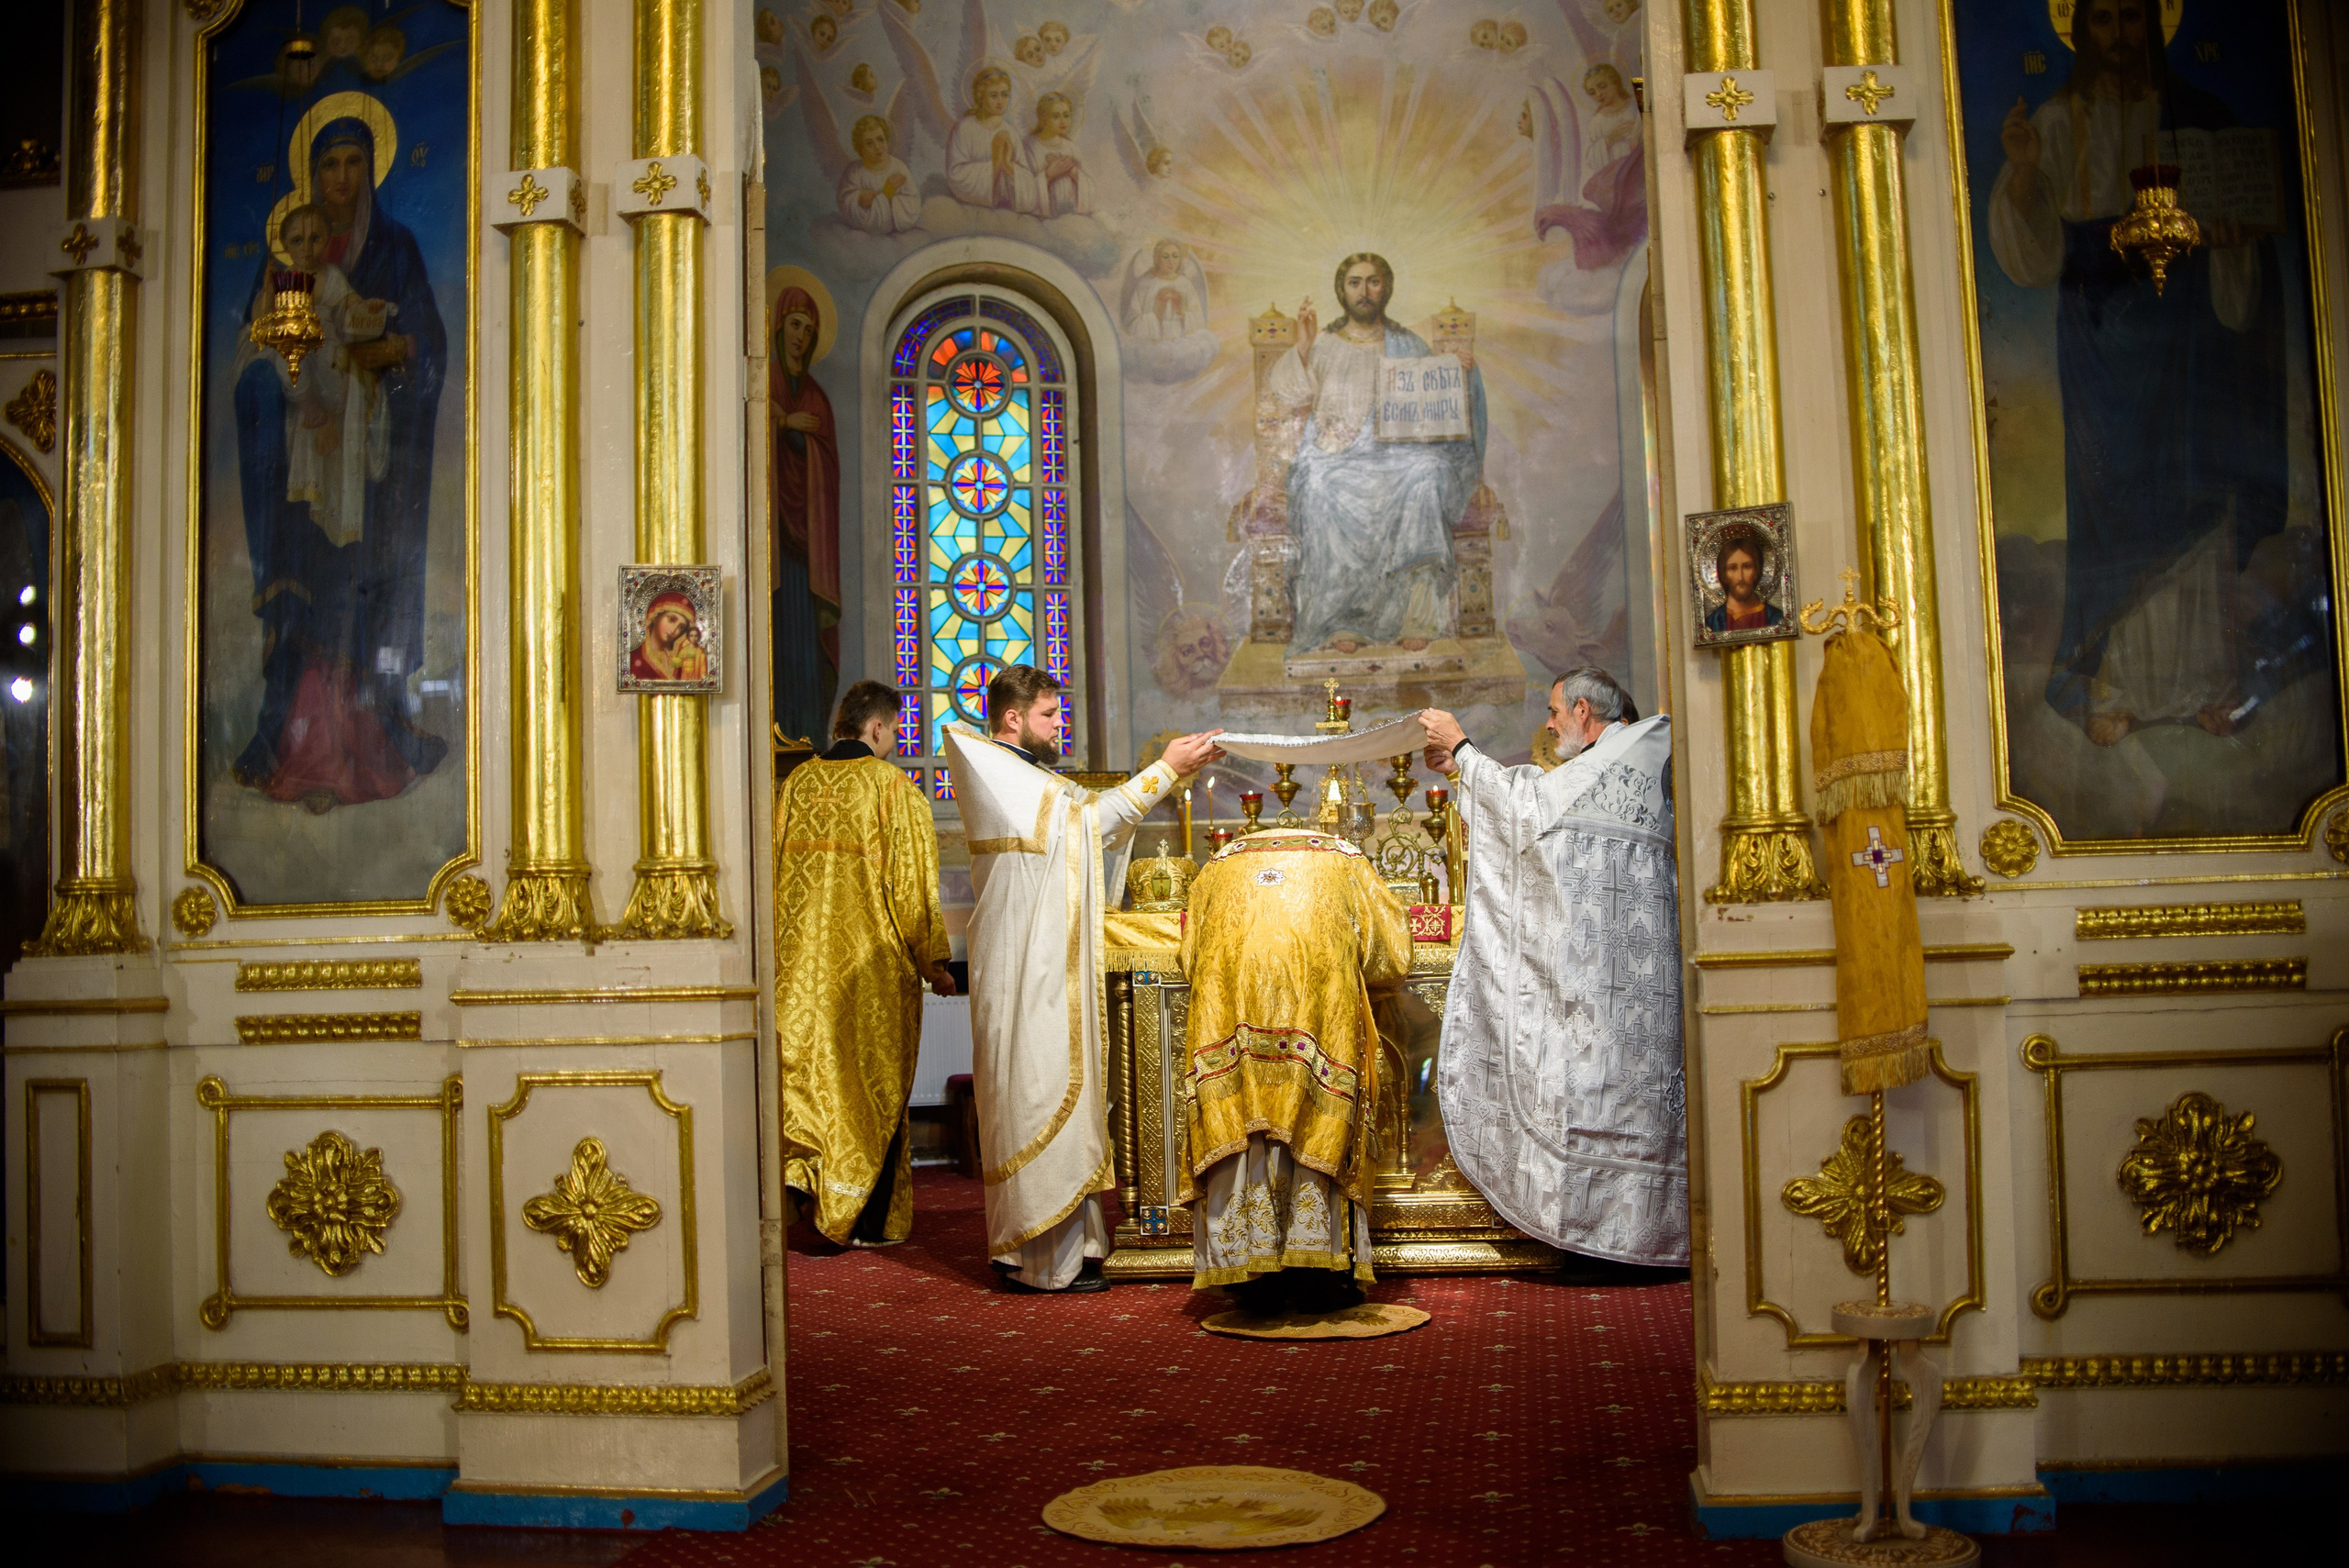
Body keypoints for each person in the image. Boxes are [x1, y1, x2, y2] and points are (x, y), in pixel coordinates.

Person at [1987, 0, 2281, 747]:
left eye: (2131, 19)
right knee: (2110, 498)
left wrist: (2234, 243)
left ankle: (2207, 682)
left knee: (2192, 487)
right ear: (2081, 30)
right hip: (2099, 344)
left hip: (2187, 340)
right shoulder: (2054, 125)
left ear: (2155, 25)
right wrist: (2023, 176)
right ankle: (2110, 683)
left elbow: (2244, 238)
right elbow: (2030, 257)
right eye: (2105, 20)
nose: (2119, 37)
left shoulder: (2199, 115)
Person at [944, 666, 1223, 1293]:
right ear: (1012, 717)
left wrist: (1162, 776)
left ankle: (1073, 1245)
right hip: (1024, 964)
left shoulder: (1033, 774)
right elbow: (1087, 827)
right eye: (1047, 714)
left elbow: (1093, 825)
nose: (1057, 725)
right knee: (1035, 1088)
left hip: (1050, 957)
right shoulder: (995, 767)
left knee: (1058, 1087)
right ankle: (1033, 1256)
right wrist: (1166, 770)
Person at [1418, 669, 1689, 1266]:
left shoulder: (1628, 753)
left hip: (1610, 988)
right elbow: (1542, 817)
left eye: (1554, 710)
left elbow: (1529, 814)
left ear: (1584, 709)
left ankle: (1613, 1243)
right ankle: (1628, 1236)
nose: (1548, 722)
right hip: (1624, 981)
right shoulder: (1625, 756)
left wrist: (1464, 749)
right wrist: (1465, 776)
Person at [231, 114, 448, 812]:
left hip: (371, 470)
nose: (341, 178)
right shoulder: (283, 265)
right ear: (311, 175)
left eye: (354, 163)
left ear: (370, 172)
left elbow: (425, 345)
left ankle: (368, 745)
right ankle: (293, 747)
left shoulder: (395, 249)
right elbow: (258, 349)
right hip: (304, 469)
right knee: (304, 601)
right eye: (329, 165)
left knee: (360, 596)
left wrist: (387, 353)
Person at [1177, 821, 1410, 1317]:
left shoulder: (1217, 866)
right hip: (1319, 1021)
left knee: (1245, 1128)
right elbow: (1391, 956)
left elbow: (1188, 957)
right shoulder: (1344, 859)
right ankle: (1318, 1277)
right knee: (1314, 1126)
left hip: (1230, 1025)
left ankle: (1252, 1277)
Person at [775, 681, 954, 1248]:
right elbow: (913, 886)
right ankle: (865, 1219)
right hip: (870, 976)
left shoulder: (796, 783)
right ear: (876, 728)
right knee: (870, 1089)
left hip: (795, 971)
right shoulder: (890, 788)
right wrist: (934, 964)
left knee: (808, 1088)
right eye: (896, 731)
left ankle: (806, 1198)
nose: (896, 743)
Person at [1265, 253, 1486, 655]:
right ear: (1341, 290)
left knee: (1427, 473)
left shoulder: (1407, 344)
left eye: (1373, 282)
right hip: (1336, 456)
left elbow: (1437, 398)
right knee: (1317, 486)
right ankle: (1341, 620)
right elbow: (1287, 392)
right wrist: (1301, 347)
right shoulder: (1325, 345)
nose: (1364, 291)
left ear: (1386, 288)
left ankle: (1414, 618)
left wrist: (1458, 370)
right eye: (1354, 282)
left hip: (1396, 458)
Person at [771, 285, 841, 741]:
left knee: (806, 648)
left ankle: (807, 735)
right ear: (779, 325)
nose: (801, 336)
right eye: (795, 324)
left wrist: (798, 430)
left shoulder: (815, 396)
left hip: (807, 547)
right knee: (778, 633)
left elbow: (827, 463)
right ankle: (777, 729)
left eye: (809, 330)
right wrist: (778, 422)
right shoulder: (767, 384)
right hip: (774, 539)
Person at [948, 66, 1044, 214]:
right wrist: (995, 164)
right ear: (981, 96)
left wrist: (1007, 166)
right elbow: (956, 175)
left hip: (1007, 210)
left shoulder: (1010, 132)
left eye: (1005, 95)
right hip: (972, 209)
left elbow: (1028, 184)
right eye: (994, 95)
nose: (1000, 101)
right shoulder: (965, 128)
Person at [838, 115, 921, 234]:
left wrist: (890, 199)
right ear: (861, 149)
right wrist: (860, 199)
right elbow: (845, 202)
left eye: (880, 139)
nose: (877, 147)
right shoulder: (854, 172)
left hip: (896, 233)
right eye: (869, 143)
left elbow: (913, 201)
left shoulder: (899, 167)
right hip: (865, 236)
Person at [1703, 531, 1783, 635]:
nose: (1740, 577)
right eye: (1732, 568)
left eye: (1747, 567)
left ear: (1757, 571)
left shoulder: (1775, 618)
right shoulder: (1712, 623)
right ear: (1724, 575)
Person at [1027, 92, 1090, 217]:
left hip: (1071, 216)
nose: (1063, 121)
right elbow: (1023, 192)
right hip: (1041, 218)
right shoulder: (1029, 147)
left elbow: (1091, 190)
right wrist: (1048, 175)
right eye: (1056, 116)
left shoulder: (1072, 148)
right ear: (1043, 119)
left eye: (1066, 116)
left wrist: (1074, 173)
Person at [629, 591, 708, 683]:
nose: (674, 630)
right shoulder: (635, 657)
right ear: (655, 616)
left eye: (681, 627)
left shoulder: (683, 657)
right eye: (671, 619)